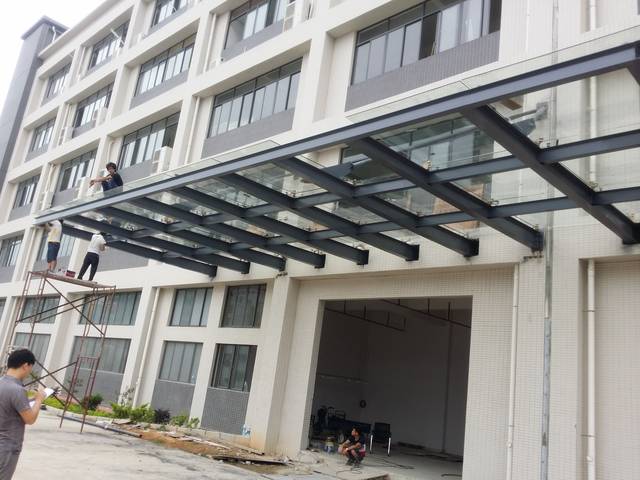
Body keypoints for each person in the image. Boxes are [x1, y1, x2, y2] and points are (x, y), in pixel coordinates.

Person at [0, 349, 46, 479]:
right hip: (7, 447)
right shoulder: (17, 390)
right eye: (31, 367)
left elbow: (9, 404)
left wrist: (30, 399)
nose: (29, 371)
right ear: (25, 365)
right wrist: (39, 400)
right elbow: (30, 419)